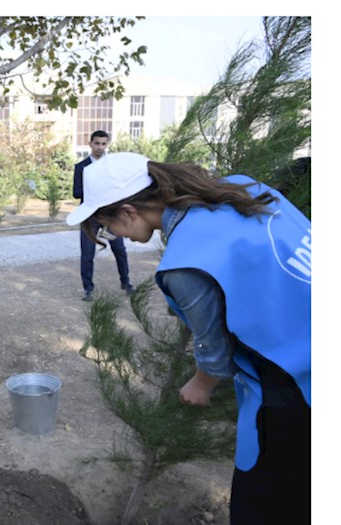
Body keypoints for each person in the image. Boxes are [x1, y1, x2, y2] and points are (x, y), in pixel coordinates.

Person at [66, 152, 310, 524]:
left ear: (129, 212)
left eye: (106, 225)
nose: (114, 236)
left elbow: (214, 350)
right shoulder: (244, 188)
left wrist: (200, 384)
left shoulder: (185, 262)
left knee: (261, 505)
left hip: (295, 386)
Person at [70, 130, 133, 301]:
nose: (100, 147)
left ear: (107, 144)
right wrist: (94, 189)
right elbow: (76, 193)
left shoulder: (112, 166)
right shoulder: (81, 167)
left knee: (120, 250)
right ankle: (88, 289)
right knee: (87, 254)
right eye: (97, 143)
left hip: (110, 217)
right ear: (90, 144)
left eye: (104, 143)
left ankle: (126, 283)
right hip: (89, 217)